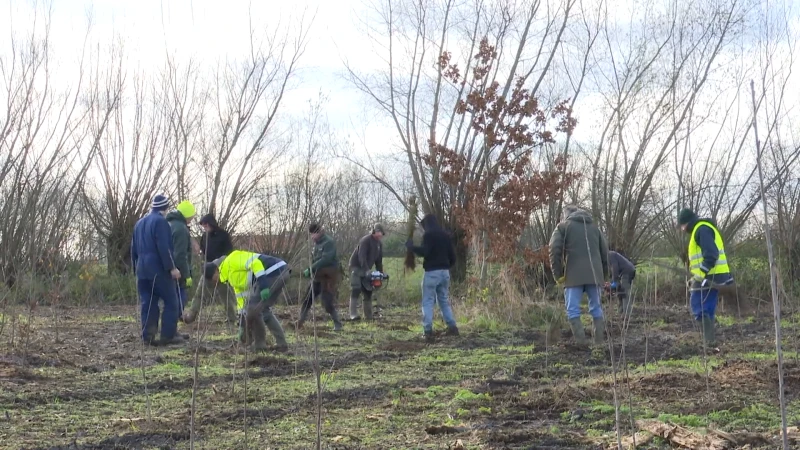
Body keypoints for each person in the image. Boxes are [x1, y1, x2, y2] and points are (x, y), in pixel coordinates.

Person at [203, 250, 290, 352]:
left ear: (216, 270)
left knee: (253, 309)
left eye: (213, 278)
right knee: (263, 310)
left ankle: (259, 345)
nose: (215, 282)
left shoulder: (231, 261)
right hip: (279, 272)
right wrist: (241, 324)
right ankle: (282, 344)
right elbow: (241, 299)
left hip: (274, 271)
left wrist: (263, 285)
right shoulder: (230, 277)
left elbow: (255, 263)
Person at [548, 205, 609, 347]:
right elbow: (605, 252)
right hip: (595, 274)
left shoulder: (563, 226)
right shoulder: (595, 227)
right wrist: (603, 276)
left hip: (573, 274)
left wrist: (558, 274)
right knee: (597, 307)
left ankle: (582, 344)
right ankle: (599, 343)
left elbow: (554, 249)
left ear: (566, 215)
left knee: (572, 308)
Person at [131, 194, 184, 346]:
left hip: (142, 270)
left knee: (148, 302)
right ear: (165, 208)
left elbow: (133, 249)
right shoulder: (161, 222)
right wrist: (172, 268)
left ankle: (148, 336)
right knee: (171, 301)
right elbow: (164, 247)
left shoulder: (139, 223)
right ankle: (168, 335)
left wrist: (136, 269)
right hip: (158, 269)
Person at [677, 208, 734, 348]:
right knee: (707, 308)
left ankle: (708, 342)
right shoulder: (703, 228)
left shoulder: (701, 230)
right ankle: (709, 341)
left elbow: (711, 254)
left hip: (710, 275)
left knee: (698, 305)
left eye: (682, 225)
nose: (683, 229)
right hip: (716, 274)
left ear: (687, 222)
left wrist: (700, 276)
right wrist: (695, 277)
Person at [406, 214, 459, 343]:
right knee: (443, 301)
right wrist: (445, 267)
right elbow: (453, 257)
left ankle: (427, 331)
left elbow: (425, 251)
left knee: (428, 301)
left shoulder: (429, 236)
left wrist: (411, 247)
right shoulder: (446, 236)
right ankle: (452, 327)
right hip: (445, 273)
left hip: (432, 273)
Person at [183, 214, 237, 324]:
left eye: (206, 224)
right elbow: (203, 252)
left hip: (222, 269)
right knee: (200, 294)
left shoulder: (223, 235)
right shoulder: (204, 236)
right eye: (203, 225)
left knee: (226, 295)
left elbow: (229, 253)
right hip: (208, 270)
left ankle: (232, 318)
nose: (205, 227)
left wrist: (218, 266)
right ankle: (191, 315)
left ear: (211, 223)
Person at [297, 223, 343, 331]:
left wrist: (311, 268)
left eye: (313, 234)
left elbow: (326, 259)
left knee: (327, 302)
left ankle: (338, 324)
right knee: (307, 299)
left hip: (328, 277)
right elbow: (315, 258)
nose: (312, 237)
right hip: (317, 276)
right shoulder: (316, 243)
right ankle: (300, 322)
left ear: (318, 232)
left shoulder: (328, 242)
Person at [348, 224, 386, 321]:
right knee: (356, 289)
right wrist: (367, 270)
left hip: (366, 269)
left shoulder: (379, 244)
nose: (379, 234)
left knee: (368, 291)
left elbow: (378, 261)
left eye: (380, 232)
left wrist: (380, 273)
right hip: (356, 266)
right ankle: (353, 314)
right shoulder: (366, 240)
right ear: (373, 231)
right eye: (377, 231)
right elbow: (362, 257)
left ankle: (368, 316)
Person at [166, 200, 195, 319]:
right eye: (192, 216)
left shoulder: (168, 224)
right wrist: (186, 275)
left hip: (166, 267)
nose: (192, 219)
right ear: (187, 215)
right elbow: (180, 254)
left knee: (169, 298)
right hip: (177, 271)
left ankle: (170, 324)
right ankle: (175, 322)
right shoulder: (181, 229)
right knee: (180, 296)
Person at [608, 250, 636, 316]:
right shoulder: (609, 256)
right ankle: (621, 312)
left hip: (626, 272)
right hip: (624, 272)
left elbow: (615, 267)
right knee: (620, 293)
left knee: (624, 293)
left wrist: (614, 281)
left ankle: (627, 314)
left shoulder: (610, 254)